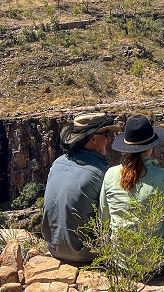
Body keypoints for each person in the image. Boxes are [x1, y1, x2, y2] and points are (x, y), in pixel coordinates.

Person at [100, 115, 164, 250]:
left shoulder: (110, 174)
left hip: (120, 259)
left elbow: (104, 218)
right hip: (156, 259)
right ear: (151, 147)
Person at [41, 112, 120, 263]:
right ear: (93, 138)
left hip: (53, 248)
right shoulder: (101, 173)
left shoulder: (57, 163)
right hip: (84, 253)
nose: (109, 138)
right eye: (106, 133)